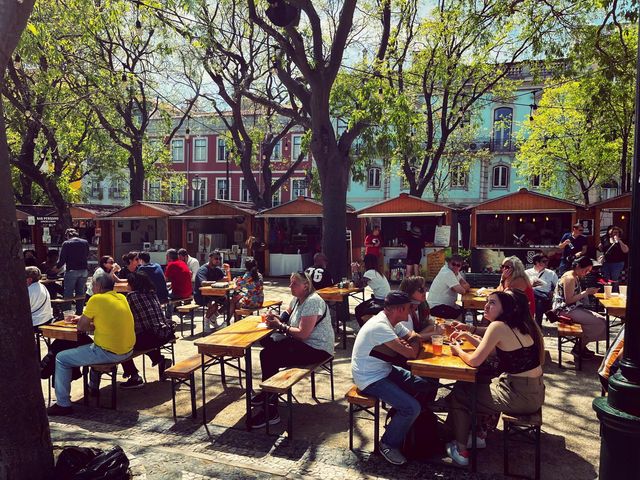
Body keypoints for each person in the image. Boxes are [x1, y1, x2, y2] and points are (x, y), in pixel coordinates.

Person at [444, 290, 545, 466]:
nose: (486, 306)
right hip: (533, 391)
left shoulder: (497, 326)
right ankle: (476, 435)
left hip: (520, 396)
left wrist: (457, 350)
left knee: (460, 395)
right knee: (478, 382)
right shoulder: (518, 325)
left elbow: (475, 361)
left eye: (492, 303)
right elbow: (492, 351)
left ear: (504, 308)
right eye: (487, 301)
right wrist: (468, 336)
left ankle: (461, 451)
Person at [352, 291, 438, 466]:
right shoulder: (380, 326)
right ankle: (388, 444)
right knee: (411, 407)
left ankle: (412, 426)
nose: (410, 313)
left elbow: (414, 337)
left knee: (425, 385)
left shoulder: (392, 322)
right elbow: (412, 352)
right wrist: (410, 343)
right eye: (408, 309)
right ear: (398, 309)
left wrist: (410, 341)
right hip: (369, 378)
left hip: (384, 370)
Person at [251, 271, 335, 428]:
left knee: (268, 354)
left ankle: (271, 409)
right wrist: (276, 317)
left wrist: (280, 326)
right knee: (268, 346)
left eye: (294, 283)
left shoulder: (312, 301)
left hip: (317, 348)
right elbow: (287, 312)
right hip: (303, 344)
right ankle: (269, 395)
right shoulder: (298, 298)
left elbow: (303, 334)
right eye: (290, 282)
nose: (290, 286)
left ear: (306, 286)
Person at [47, 272, 135, 416]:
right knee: (89, 347)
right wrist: (85, 319)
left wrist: (83, 321)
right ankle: (92, 386)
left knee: (61, 358)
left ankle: (63, 404)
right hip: (128, 349)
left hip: (109, 353)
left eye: (92, 284)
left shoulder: (96, 299)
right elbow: (106, 319)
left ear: (99, 286)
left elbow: (81, 328)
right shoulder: (121, 297)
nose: (91, 287)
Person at [120, 272, 175, 389]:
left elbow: (123, 317)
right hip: (164, 333)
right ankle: (159, 359)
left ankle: (134, 376)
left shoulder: (131, 297)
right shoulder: (152, 294)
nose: (127, 286)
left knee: (120, 345)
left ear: (133, 284)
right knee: (141, 335)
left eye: (128, 283)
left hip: (151, 337)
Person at [551, 256, 605, 358]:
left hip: (572, 308)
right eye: (586, 270)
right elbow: (568, 300)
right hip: (564, 310)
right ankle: (579, 347)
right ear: (578, 266)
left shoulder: (574, 276)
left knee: (602, 321)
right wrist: (587, 292)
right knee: (599, 323)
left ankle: (581, 345)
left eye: (589, 270)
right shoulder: (569, 278)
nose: (587, 272)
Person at [54, 228, 89, 315]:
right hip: (84, 270)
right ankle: (79, 313)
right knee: (80, 293)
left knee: (68, 293)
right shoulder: (85, 242)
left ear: (67, 235)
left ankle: (67, 314)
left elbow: (62, 260)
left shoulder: (66, 243)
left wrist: (55, 269)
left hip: (72, 270)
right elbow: (87, 255)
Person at [427, 254, 470, 320]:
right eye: (453, 264)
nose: (455, 266)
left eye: (458, 265)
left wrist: (461, 287)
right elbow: (461, 291)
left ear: (461, 266)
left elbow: (467, 285)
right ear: (449, 263)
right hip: (437, 307)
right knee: (465, 315)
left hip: (445, 306)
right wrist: (462, 287)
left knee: (467, 311)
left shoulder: (455, 272)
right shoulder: (447, 272)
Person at [353, 253, 391, 326]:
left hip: (381, 301)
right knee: (361, 308)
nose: (362, 263)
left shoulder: (370, 273)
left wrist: (355, 271)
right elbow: (363, 283)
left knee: (358, 310)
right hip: (385, 299)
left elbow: (358, 285)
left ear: (367, 263)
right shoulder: (377, 272)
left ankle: (363, 330)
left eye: (363, 262)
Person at [194, 251, 227, 332]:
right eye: (216, 259)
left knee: (229, 301)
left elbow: (226, 279)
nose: (218, 261)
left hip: (214, 294)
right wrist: (216, 283)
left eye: (219, 259)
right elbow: (203, 283)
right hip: (201, 295)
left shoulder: (217, 269)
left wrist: (228, 270)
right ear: (210, 258)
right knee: (213, 304)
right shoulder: (203, 269)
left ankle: (214, 317)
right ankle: (206, 321)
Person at [525, 254, 558, 325]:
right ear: (537, 262)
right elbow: (522, 286)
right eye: (544, 261)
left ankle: (537, 325)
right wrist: (531, 285)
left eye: (547, 261)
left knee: (539, 301)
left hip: (545, 294)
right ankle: (539, 324)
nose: (547, 263)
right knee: (533, 291)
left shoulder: (551, 273)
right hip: (530, 295)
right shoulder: (527, 273)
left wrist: (553, 292)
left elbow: (558, 287)